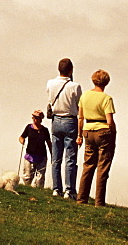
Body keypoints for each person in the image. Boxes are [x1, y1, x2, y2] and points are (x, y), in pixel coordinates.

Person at [77, 69, 117, 207]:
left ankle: (81, 198)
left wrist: (79, 135)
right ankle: (99, 202)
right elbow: (109, 121)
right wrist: (112, 134)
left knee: (88, 165)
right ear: (106, 82)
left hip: (87, 130)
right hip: (103, 131)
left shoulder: (84, 96)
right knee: (103, 167)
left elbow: (80, 117)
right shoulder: (107, 98)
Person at [46, 57, 83, 199]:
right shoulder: (75, 86)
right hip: (70, 120)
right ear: (71, 70)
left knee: (56, 157)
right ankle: (69, 190)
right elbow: (79, 105)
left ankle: (56, 188)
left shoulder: (50, 83)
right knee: (70, 157)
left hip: (56, 120)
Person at [19, 109, 51, 187]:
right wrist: (22, 141)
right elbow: (21, 137)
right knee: (27, 176)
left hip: (41, 156)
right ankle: (27, 188)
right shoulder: (29, 127)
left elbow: (49, 143)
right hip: (30, 155)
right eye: (33, 117)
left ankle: (39, 191)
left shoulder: (45, 130)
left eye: (37, 118)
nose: (34, 119)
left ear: (41, 119)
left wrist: (52, 153)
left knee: (40, 177)